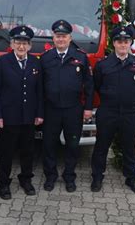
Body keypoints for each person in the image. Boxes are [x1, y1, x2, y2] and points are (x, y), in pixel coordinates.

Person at [90, 25, 135, 194]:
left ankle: (131, 178)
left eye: (126, 41)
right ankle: (97, 176)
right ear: (113, 43)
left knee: (129, 146)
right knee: (101, 146)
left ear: (131, 43)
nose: (123, 45)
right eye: (119, 41)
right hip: (108, 112)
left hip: (130, 113)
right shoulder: (103, 65)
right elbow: (97, 86)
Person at [40, 19, 94, 192]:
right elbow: (39, 87)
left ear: (70, 38)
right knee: (49, 145)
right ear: (53, 38)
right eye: (58, 36)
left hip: (73, 109)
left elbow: (89, 85)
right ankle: (50, 176)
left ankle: (69, 177)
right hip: (51, 109)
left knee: (72, 145)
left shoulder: (80, 57)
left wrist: (87, 108)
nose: (61, 39)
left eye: (64, 36)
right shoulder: (46, 58)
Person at [0, 25, 44, 200]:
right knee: (6, 152)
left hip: (29, 117)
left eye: (25, 43)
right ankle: (3, 183)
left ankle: (26, 180)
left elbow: (39, 91)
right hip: (8, 118)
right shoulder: (2, 62)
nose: (21, 47)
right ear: (12, 44)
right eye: (18, 43)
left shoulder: (36, 63)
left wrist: (39, 113)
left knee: (28, 151)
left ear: (30, 46)